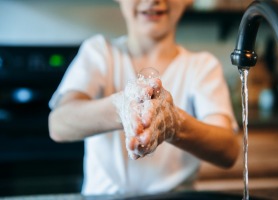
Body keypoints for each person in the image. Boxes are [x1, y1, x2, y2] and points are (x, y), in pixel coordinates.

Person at [48, 0, 240, 196]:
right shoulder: (99, 52)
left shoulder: (202, 66)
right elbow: (58, 124)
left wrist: (175, 125)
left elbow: (228, 151)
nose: (153, 1)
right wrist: (120, 108)